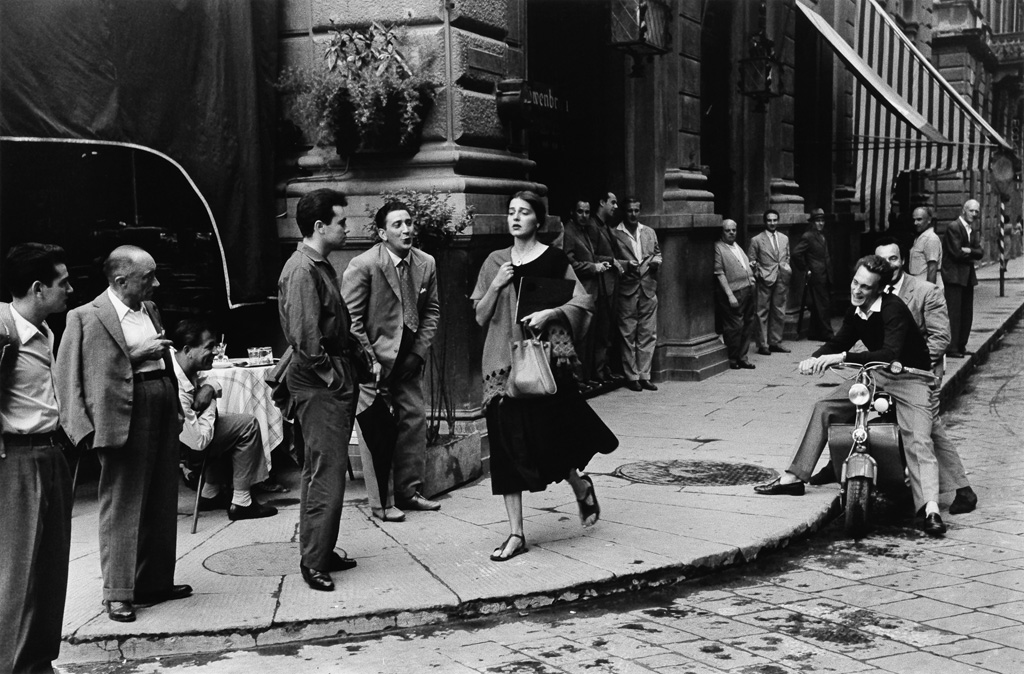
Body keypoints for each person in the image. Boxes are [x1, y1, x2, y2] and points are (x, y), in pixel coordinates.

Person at [753, 255, 947, 536]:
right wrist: (814, 358)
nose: (857, 290)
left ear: (879, 290)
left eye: (865, 287)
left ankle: (930, 509)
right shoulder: (856, 311)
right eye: (855, 283)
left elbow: (889, 353)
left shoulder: (894, 309)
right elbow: (839, 340)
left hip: (910, 378)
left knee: (919, 438)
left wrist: (839, 357)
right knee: (824, 407)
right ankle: (794, 477)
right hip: (875, 376)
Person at [471, 191, 618, 561]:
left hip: (546, 362)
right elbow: (479, 315)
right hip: (502, 365)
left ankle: (578, 483)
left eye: (524, 213)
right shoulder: (495, 261)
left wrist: (551, 313)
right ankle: (516, 533)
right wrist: (496, 285)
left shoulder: (554, 260)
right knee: (506, 450)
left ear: (539, 221)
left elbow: (583, 301)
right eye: (511, 212)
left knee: (549, 439)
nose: (515, 218)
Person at [55, 245, 190, 622]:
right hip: (120, 414)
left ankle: (155, 582)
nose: (156, 283)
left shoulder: (149, 309)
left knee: (162, 496)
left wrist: (177, 406)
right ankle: (118, 592)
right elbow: (68, 377)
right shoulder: (84, 317)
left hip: (160, 402)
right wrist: (80, 430)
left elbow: (164, 361)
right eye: (148, 277)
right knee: (122, 503)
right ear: (121, 280)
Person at [277, 188, 359, 592]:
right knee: (326, 471)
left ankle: (320, 549)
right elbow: (307, 338)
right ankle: (314, 561)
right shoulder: (301, 270)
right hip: (321, 381)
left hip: (330, 377)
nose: (348, 228)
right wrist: (332, 376)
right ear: (319, 226)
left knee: (324, 469)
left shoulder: (316, 264)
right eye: (342, 222)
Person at [342, 201, 442, 521]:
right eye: (397, 224)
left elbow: (432, 312)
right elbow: (351, 320)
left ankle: (409, 491)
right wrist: (369, 360)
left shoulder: (426, 263)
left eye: (409, 222)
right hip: (373, 362)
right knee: (377, 432)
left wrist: (417, 353)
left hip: (408, 359)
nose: (406, 229)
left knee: (413, 420)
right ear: (383, 233)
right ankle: (382, 503)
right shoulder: (364, 264)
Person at [0, 244, 74, 673]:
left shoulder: (43, 332)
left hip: (50, 455)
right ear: (37, 288)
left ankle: (38, 662)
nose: (69, 289)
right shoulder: (5, 331)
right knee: (17, 574)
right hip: (17, 461)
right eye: (62, 282)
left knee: (49, 570)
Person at [874, 239, 977, 514]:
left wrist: (907, 365)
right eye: (883, 261)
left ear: (903, 261)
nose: (889, 265)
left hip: (921, 372)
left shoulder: (925, 290)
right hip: (889, 372)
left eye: (894, 259)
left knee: (928, 427)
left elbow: (941, 338)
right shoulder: (875, 291)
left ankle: (963, 490)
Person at [171, 319, 278, 521]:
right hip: (182, 450)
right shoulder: (177, 385)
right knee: (247, 425)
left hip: (190, 435)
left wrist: (209, 388)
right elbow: (199, 443)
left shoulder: (183, 362)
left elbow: (211, 380)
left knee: (225, 422)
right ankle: (242, 501)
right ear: (187, 350)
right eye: (209, 346)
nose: (215, 351)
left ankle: (211, 492)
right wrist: (210, 401)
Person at [561, 199, 614, 384]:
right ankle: (579, 380)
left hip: (594, 290)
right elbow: (569, 262)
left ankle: (589, 377)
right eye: (580, 212)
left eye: (587, 212)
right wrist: (593, 267)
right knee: (582, 338)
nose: (584, 216)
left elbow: (590, 255)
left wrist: (601, 263)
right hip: (580, 291)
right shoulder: (568, 231)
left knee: (593, 336)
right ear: (572, 213)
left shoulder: (585, 231)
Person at [613, 196, 662, 391]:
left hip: (648, 287)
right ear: (624, 212)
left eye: (636, 211)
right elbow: (611, 259)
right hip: (627, 287)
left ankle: (644, 375)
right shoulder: (615, 234)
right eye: (629, 211)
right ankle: (631, 376)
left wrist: (657, 262)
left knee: (648, 333)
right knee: (628, 333)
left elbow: (657, 252)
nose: (633, 214)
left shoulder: (649, 232)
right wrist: (626, 265)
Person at [589, 191, 625, 381]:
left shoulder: (607, 227)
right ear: (602, 202)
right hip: (600, 285)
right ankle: (599, 371)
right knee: (601, 330)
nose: (616, 206)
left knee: (608, 329)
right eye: (613, 202)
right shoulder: (593, 226)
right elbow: (591, 255)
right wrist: (611, 260)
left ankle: (605, 368)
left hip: (611, 284)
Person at [942, 199, 984, 358]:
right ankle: (952, 348)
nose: (974, 214)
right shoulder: (954, 227)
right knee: (954, 313)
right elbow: (956, 253)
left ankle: (961, 345)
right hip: (954, 276)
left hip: (966, 277)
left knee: (966, 313)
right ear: (963, 210)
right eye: (971, 210)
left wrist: (969, 251)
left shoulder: (971, 230)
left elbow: (980, 253)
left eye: (977, 212)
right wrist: (971, 252)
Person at [747, 209, 792, 356]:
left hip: (781, 278)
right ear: (765, 222)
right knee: (762, 312)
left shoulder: (784, 238)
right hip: (765, 279)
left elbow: (787, 256)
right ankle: (763, 344)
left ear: (778, 221)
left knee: (779, 311)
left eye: (774, 220)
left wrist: (786, 269)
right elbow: (751, 260)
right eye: (769, 220)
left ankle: (775, 342)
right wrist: (759, 273)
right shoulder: (757, 240)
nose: (772, 223)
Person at [714, 220, 756, 370]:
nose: (732, 233)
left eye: (734, 230)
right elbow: (719, 273)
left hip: (748, 288)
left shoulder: (736, 246)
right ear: (722, 232)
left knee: (748, 323)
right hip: (734, 291)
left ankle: (742, 357)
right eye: (728, 230)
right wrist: (729, 294)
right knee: (734, 326)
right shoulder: (719, 247)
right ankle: (732, 358)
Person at [792, 208, 834, 341]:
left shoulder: (822, 235)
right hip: (816, 275)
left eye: (822, 221)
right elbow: (796, 254)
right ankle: (827, 334)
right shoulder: (808, 236)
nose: (821, 223)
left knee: (818, 305)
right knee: (823, 305)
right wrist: (806, 269)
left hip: (824, 273)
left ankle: (814, 333)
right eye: (818, 221)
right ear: (812, 223)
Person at [908, 206, 942, 287]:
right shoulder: (920, 237)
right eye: (914, 220)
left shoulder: (931, 238)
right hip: (918, 283)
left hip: (925, 283)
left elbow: (932, 268)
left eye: (919, 219)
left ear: (929, 220)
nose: (915, 223)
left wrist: (930, 292)